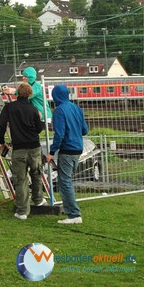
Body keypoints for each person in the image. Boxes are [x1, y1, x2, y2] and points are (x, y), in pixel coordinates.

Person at [0, 82, 47, 220]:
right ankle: (39, 199)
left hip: (19, 148)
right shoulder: (33, 109)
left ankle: (23, 211)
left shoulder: (9, 107)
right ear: (30, 94)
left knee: (20, 179)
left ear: (17, 93)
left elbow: (1, 125)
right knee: (36, 173)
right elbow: (38, 129)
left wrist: (1, 141)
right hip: (34, 146)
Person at [46, 84, 89, 224]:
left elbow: (59, 134)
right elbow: (85, 130)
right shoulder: (77, 108)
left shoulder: (59, 111)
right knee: (68, 181)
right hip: (78, 149)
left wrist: (51, 152)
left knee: (64, 182)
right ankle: (72, 212)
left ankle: (74, 214)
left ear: (55, 96)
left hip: (67, 150)